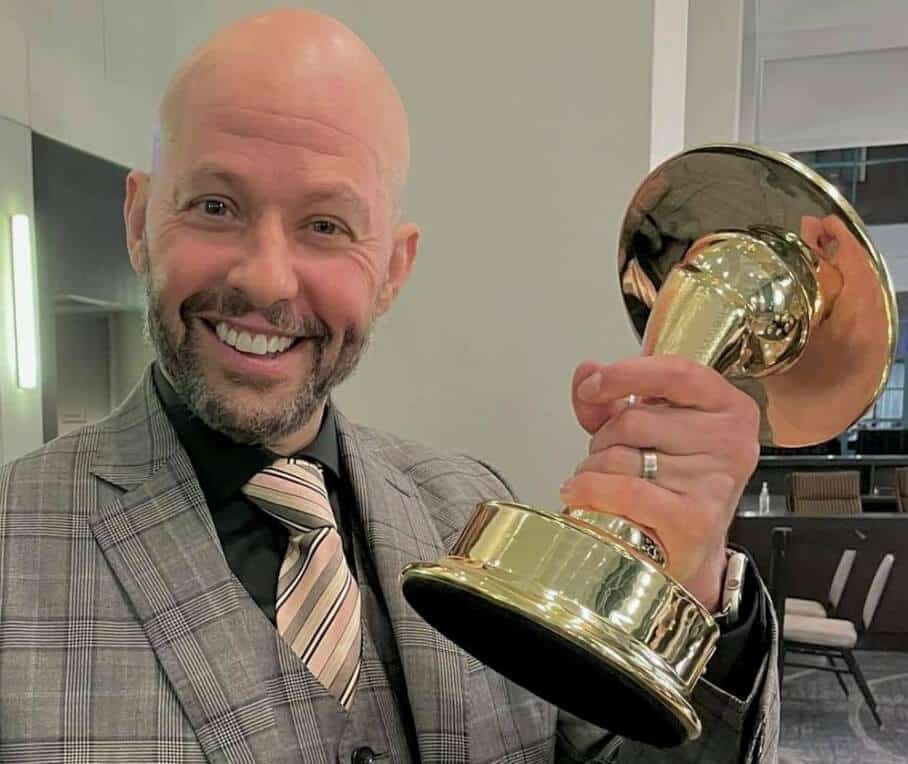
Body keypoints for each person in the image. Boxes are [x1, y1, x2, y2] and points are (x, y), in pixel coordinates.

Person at [0, 9, 778, 763]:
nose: (268, 280)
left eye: (327, 226)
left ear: (393, 271)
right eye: (215, 206)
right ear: (139, 221)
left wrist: (699, 582)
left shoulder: (466, 508)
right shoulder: (13, 540)